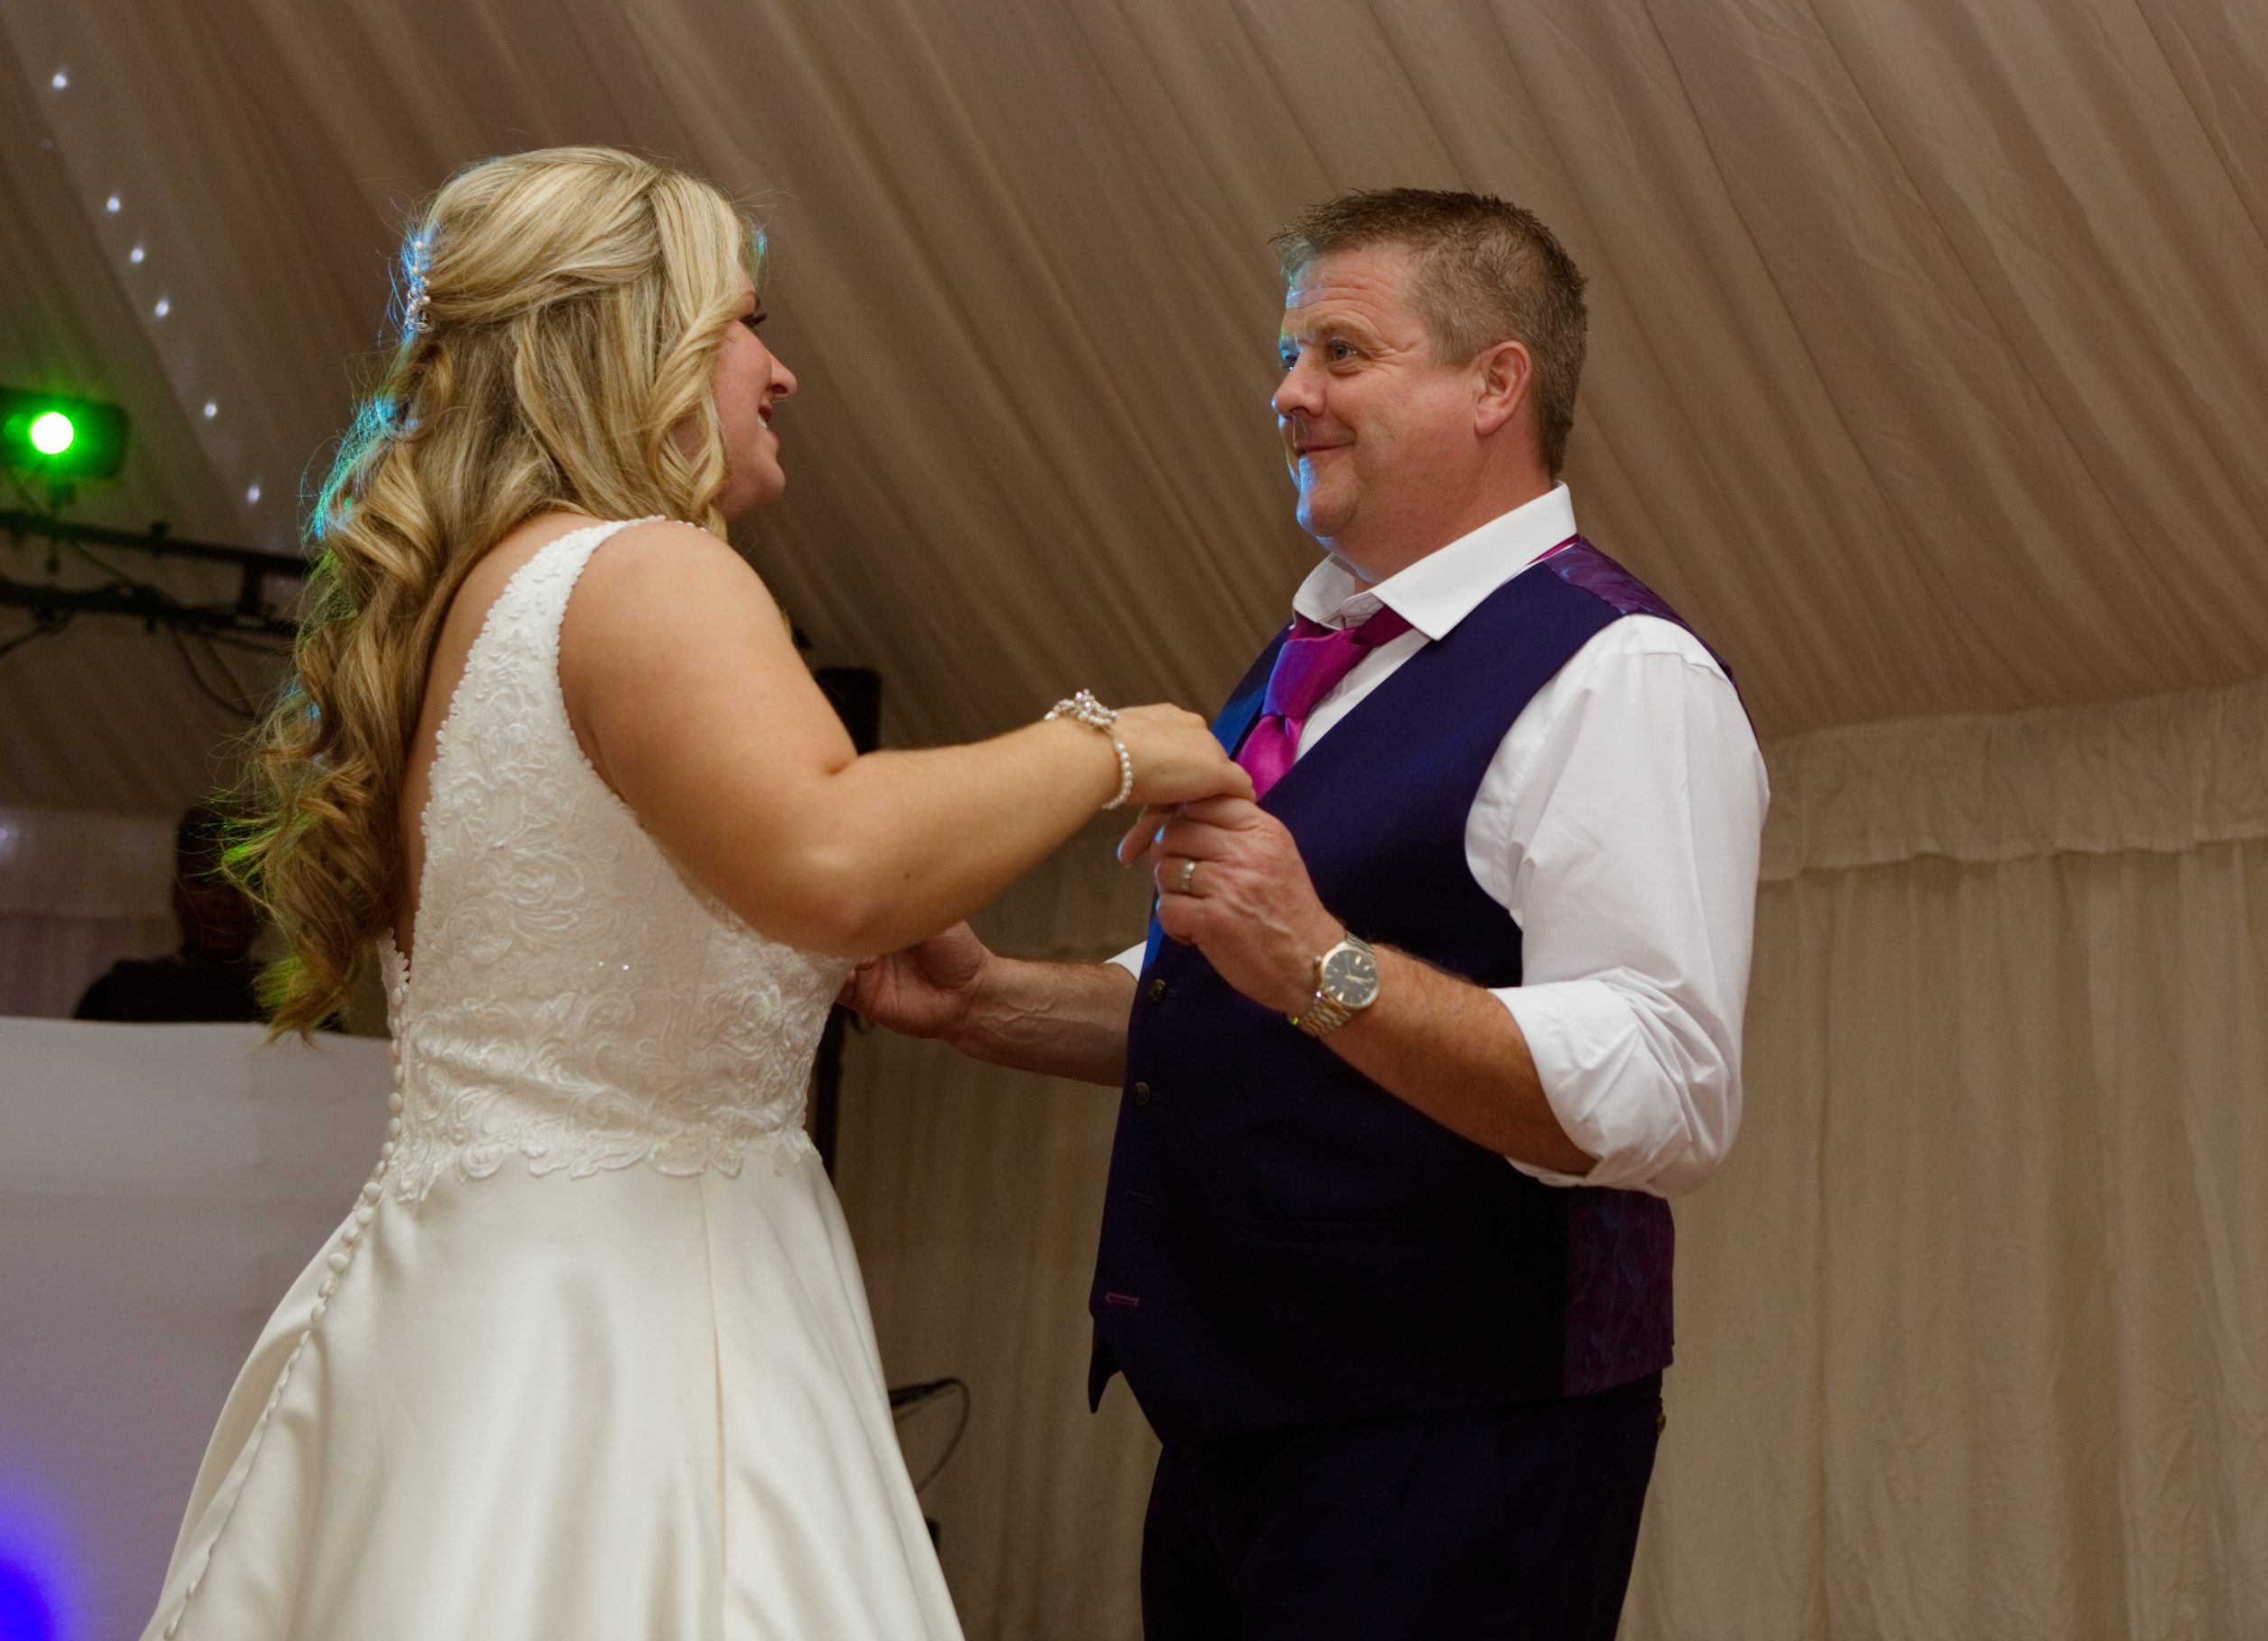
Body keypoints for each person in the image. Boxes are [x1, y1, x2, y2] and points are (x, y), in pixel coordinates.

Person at [136, 147, 1249, 1641]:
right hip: (635, 1330)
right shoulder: (649, 571)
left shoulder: (479, 598)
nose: (781, 374)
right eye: (746, 326)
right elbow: (830, 855)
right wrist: (1110, 746)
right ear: (633, 342)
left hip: (461, 1305)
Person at [846, 189, 1769, 1638]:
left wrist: (1324, 964)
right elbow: (1223, 994)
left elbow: (1670, 1086)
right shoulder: (1323, 655)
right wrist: (983, 1002)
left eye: (1341, 352)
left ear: (1496, 383)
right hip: (1238, 1432)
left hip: (1460, 1444)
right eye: (1289, 356)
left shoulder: (1621, 674)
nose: (1289, 394)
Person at [75, 802, 264, 1023]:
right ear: (177, 893)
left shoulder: (291, 1003)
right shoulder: (115, 994)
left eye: (247, 883)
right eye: (206, 880)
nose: (226, 900)